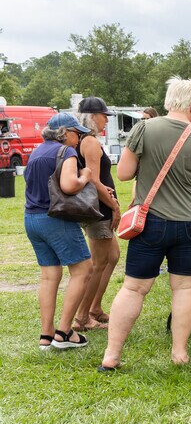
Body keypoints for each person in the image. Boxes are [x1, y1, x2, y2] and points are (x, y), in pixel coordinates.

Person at [99, 77, 191, 370]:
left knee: (134, 288)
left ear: (168, 101)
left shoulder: (144, 128)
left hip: (150, 221)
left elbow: (123, 173)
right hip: (190, 223)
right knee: (184, 287)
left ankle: (112, 356)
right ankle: (179, 353)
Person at [24, 113, 94, 350]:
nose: (79, 138)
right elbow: (69, 185)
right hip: (55, 218)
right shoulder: (67, 152)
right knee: (83, 269)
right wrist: (85, 177)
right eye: (77, 133)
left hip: (32, 218)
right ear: (65, 133)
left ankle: (46, 335)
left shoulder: (37, 151)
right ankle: (63, 333)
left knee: (49, 276)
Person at [73, 97, 121, 331]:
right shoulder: (90, 141)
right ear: (92, 117)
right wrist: (113, 205)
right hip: (98, 209)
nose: (106, 121)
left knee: (112, 257)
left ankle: (95, 308)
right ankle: (82, 317)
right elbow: (93, 179)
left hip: (98, 207)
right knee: (98, 262)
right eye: (103, 116)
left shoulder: (83, 140)